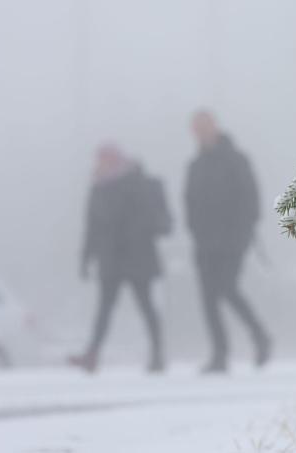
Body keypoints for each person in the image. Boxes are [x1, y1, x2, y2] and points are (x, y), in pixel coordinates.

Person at [70, 143, 171, 373]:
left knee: (146, 306)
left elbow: (150, 218)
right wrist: (86, 258)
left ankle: (157, 354)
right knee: (104, 309)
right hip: (111, 258)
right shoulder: (98, 188)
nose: (101, 164)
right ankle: (92, 355)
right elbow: (92, 227)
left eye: (105, 159)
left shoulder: (137, 183)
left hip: (137, 257)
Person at [185, 110, 270, 373]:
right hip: (204, 242)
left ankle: (260, 335)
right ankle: (219, 354)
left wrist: (242, 233)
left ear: (214, 127)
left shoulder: (235, 159)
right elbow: (189, 202)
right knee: (208, 298)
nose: (201, 133)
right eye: (197, 129)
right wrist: (195, 231)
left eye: (204, 127)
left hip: (232, 240)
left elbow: (251, 199)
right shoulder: (195, 165)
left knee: (226, 288)